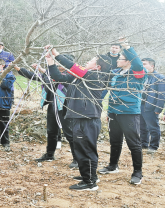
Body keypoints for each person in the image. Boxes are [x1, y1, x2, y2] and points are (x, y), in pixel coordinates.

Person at [45, 45, 111, 191]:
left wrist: (56, 54)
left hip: (86, 118)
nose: (87, 62)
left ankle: (89, 183)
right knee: (84, 149)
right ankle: (89, 176)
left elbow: (72, 66)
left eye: (91, 61)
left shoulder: (96, 76)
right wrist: (50, 61)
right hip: (79, 117)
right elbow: (59, 77)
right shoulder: (79, 76)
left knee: (85, 150)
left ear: (98, 67)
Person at [98, 38, 147, 185]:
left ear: (128, 61)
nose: (118, 60)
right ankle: (113, 165)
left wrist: (127, 46)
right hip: (114, 112)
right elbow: (110, 92)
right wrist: (107, 110)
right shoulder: (115, 73)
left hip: (129, 113)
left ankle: (138, 172)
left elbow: (137, 62)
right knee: (115, 141)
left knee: (134, 143)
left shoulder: (137, 74)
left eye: (121, 58)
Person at [13, 55, 77, 168]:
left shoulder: (71, 76)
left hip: (66, 107)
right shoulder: (50, 74)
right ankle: (49, 154)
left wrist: (45, 70)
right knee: (51, 131)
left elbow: (60, 80)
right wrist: (18, 69)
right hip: (53, 106)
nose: (57, 64)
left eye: (60, 63)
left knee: (69, 133)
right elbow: (34, 76)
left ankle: (77, 158)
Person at [140, 58, 165, 154]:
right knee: (142, 127)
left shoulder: (159, 77)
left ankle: (153, 146)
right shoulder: (141, 76)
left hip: (151, 106)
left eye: (144, 64)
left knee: (153, 127)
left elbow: (162, 94)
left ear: (152, 66)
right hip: (140, 105)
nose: (142, 65)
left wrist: (159, 108)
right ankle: (143, 144)